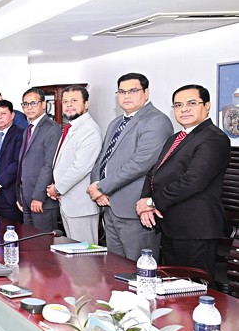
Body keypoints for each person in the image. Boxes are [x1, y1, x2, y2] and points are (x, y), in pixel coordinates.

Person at [138, 84, 230, 280]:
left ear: (207, 106)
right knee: (173, 287)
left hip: (196, 229)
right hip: (171, 226)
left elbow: (193, 181)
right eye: (178, 105)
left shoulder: (214, 138)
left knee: (195, 287)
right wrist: (145, 201)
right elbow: (153, 173)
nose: (184, 109)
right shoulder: (175, 138)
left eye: (192, 103)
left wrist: (152, 202)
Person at [88, 73, 172, 260]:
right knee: (115, 266)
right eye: (122, 92)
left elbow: (140, 163)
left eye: (133, 91)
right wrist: (97, 186)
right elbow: (102, 159)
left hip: (135, 209)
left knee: (138, 268)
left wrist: (102, 186)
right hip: (109, 206)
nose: (126, 96)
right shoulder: (116, 123)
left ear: (146, 93)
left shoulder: (157, 121)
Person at [45, 86, 102, 243]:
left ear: (86, 104)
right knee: (72, 252)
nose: (69, 104)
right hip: (68, 203)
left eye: (74, 100)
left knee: (85, 253)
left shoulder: (89, 130)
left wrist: (57, 188)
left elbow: (80, 168)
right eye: (65, 101)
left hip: (81, 206)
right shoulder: (71, 127)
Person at [15, 87, 62, 231]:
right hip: (26, 196)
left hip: (42, 200)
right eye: (25, 104)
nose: (29, 107)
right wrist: (20, 196)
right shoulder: (28, 129)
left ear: (43, 104)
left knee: (43, 241)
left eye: (33, 103)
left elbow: (49, 165)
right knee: (29, 239)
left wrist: (38, 197)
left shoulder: (52, 128)